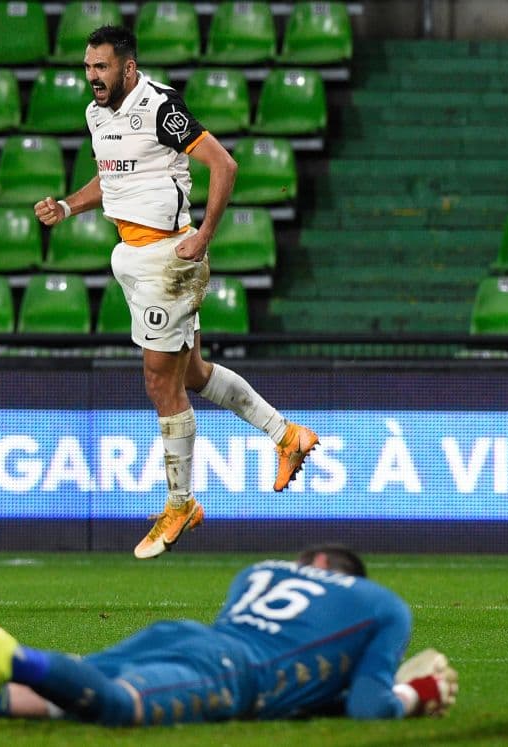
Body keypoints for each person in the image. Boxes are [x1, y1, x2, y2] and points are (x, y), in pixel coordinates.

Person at [33, 25, 320, 559]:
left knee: (159, 381)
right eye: (88, 67)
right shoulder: (97, 115)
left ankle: (181, 502)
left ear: (128, 68)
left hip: (169, 258)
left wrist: (204, 236)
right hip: (133, 257)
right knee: (192, 374)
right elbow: (112, 179)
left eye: (102, 66)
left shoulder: (161, 106)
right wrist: (69, 206)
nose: (93, 76)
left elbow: (224, 164)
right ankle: (286, 435)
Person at [0, 545, 458, 728]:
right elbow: (368, 706)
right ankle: (11, 653)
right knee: (118, 708)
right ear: (351, 575)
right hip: (230, 670)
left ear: (312, 562)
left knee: (32, 701)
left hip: (181, 635)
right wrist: (419, 691)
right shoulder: (382, 604)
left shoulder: (258, 570)